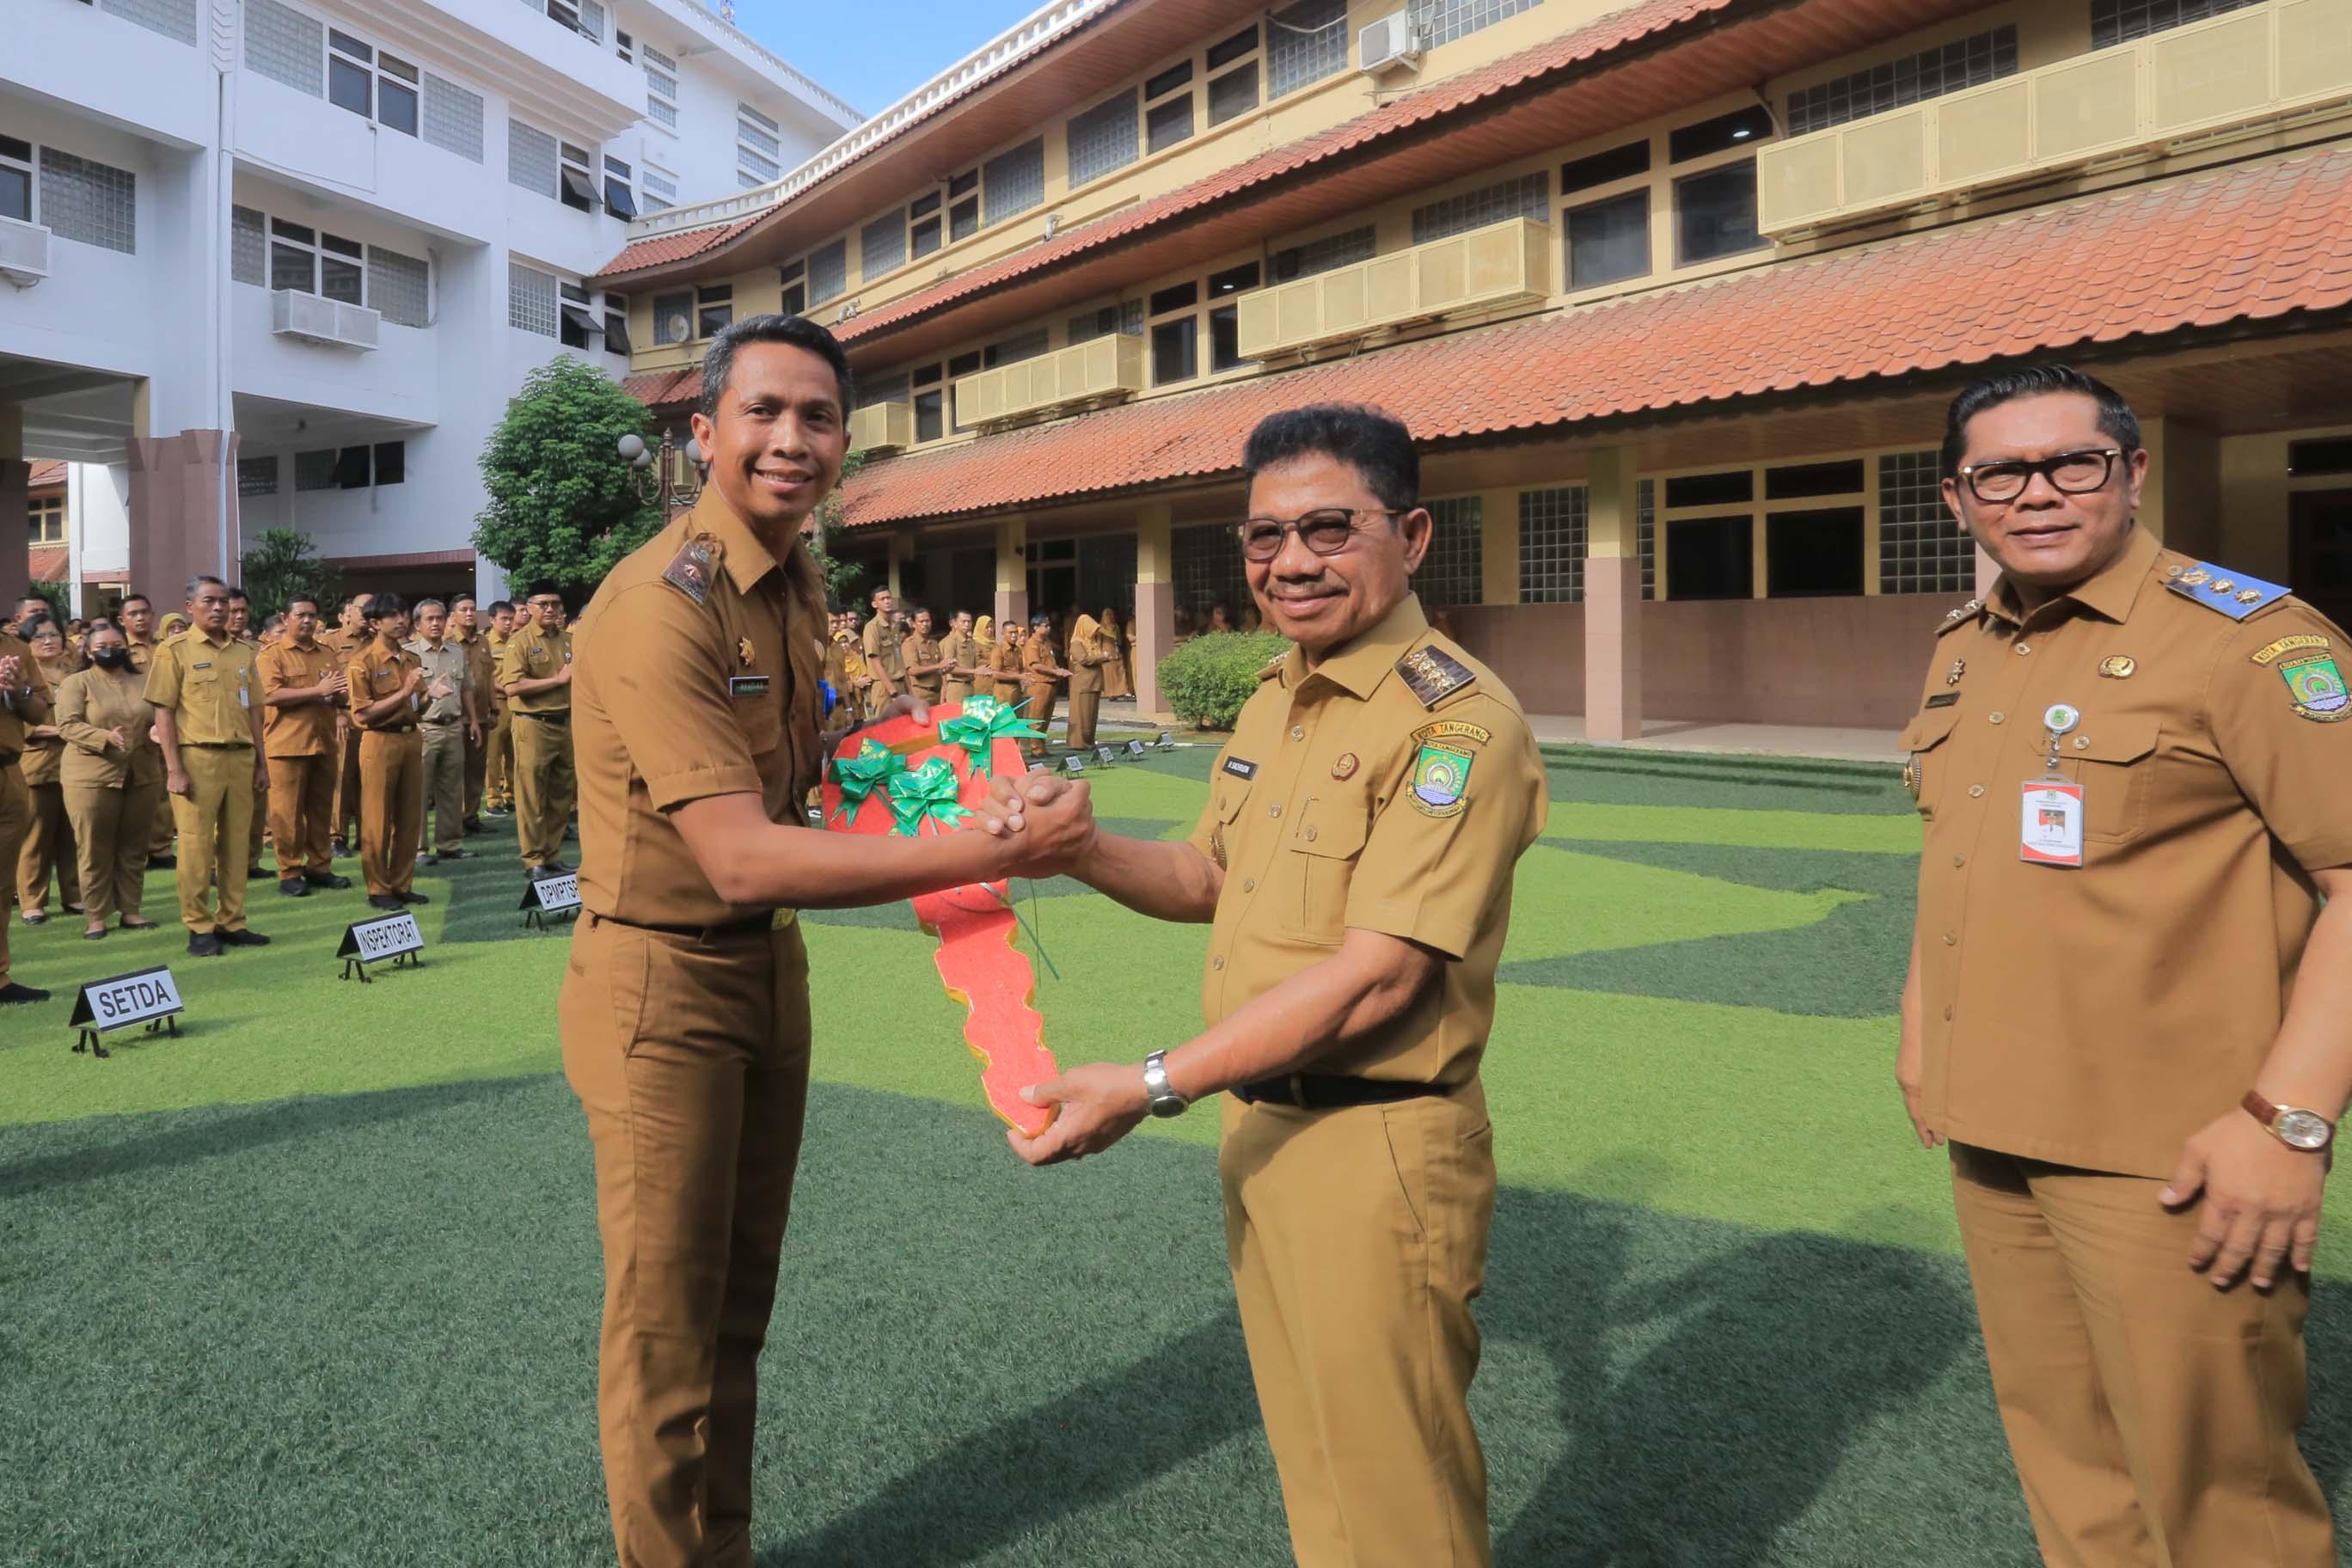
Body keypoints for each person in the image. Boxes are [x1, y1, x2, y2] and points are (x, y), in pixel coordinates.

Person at [560, 313, 1093, 1568]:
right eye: (763, 412)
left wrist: (958, 772)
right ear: (703, 435)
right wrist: (985, 849)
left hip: (764, 969)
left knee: (738, 1305)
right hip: (662, 982)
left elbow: (816, 778)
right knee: (668, 1329)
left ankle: (721, 1549)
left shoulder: (796, 583)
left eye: (818, 418)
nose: (791, 440)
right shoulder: (659, 605)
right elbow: (742, 854)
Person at [981, 403, 1548, 1568]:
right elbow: (1212, 876)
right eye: (1264, 536)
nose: (1292, 562)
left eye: (1330, 529)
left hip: (1378, 1147)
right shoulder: (1280, 690)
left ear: (1412, 536)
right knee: (1320, 1481)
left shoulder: (1459, 725)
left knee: (1398, 1506)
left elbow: (1379, 981)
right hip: (1262, 1130)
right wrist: (1078, 850)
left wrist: (1148, 1084)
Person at [1895, 365, 2349, 1566]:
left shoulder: (2251, 644)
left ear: (2132, 472)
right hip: (1996, 1128)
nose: (2037, 494)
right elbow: (1958, 853)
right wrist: (1922, 1029)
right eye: (2001, 473)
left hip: (2178, 1155)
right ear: (1957, 499)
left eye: (2073, 463)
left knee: (2223, 1504)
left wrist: (2289, 1122)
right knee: (2074, 1475)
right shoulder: (1966, 649)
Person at [144, 575, 269, 958]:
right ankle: (198, 925)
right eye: (209, 601)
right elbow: (163, 711)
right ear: (190, 607)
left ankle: (233, 921)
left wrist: (261, 764)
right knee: (196, 847)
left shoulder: (243, 651)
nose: (218, 608)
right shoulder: (174, 650)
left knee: (237, 844)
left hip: (241, 757)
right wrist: (174, 769)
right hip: (197, 758)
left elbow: (255, 712)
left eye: (223, 602)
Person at [54, 623, 163, 940]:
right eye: (102, 645)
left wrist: (157, 730)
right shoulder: (77, 683)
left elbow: (160, 717)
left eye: (117, 644)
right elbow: (67, 725)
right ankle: (96, 916)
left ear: (126, 648)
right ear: (89, 652)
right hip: (91, 776)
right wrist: (103, 737)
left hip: (142, 772)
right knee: (93, 848)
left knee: (134, 845)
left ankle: (130, 910)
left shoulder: (145, 680)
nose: (109, 650)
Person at [255, 595, 350, 898]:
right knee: (287, 815)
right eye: (300, 615)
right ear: (285, 619)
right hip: (287, 745)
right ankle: (291, 871)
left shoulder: (326, 653)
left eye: (312, 615)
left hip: (323, 742)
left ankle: (320, 866)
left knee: (321, 811)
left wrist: (339, 696)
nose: (307, 621)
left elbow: (337, 691)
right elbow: (270, 695)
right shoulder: (272, 654)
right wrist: (318, 691)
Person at [349, 594, 429, 911]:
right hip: (379, 740)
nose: (401, 620)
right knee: (377, 817)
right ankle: (378, 887)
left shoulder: (411, 659)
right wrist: (405, 692)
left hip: (410, 738)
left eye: (403, 613)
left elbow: (417, 707)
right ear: (374, 623)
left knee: (410, 817)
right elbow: (363, 714)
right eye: (392, 615)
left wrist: (430, 697)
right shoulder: (363, 661)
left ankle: (402, 883)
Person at [498, 584, 574, 877]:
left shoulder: (568, 640)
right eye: (543, 604)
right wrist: (557, 681)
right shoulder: (521, 641)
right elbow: (512, 686)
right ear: (529, 608)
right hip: (533, 724)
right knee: (531, 795)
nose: (550, 609)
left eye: (555, 603)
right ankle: (534, 859)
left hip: (564, 722)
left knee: (561, 794)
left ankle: (552, 854)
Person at [0, 614, 56, 1002]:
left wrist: (18, 690)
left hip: (9, 772)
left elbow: (38, 713)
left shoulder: (16, 648)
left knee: (3, 883)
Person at [15, 616, 81, 924]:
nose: (48, 641)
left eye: (54, 634)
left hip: (75, 764)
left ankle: (74, 894)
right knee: (36, 838)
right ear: (26, 644)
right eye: (39, 637)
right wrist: (65, 731)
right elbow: (24, 726)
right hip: (39, 766)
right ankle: (32, 901)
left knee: (72, 835)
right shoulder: (22, 679)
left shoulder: (74, 674)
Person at [406, 597, 476, 866]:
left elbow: (466, 688)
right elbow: (404, 697)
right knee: (419, 791)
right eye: (430, 619)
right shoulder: (409, 654)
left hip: (454, 726)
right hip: (424, 728)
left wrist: (472, 721)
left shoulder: (455, 651)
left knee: (452, 790)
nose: (436, 623)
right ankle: (418, 849)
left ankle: (450, 844)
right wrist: (414, 725)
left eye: (440, 618)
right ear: (417, 624)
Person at [324, 592, 372, 856]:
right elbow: (323, 682)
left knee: (370, 779)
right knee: (341, 778)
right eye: (363, 608)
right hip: (344, 717)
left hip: (374, 719)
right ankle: (337, 836)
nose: (367, 613)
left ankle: (368, 835)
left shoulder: (379, 640)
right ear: (349, 611)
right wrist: (336, 714)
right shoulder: (330, 642)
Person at [227, 586, 268, 880]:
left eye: (243, 610)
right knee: (225, 811)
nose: (239, 616)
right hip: (226, 734)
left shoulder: (257, 650)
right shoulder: (209, 651)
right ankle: (219, 866)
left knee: (257, 802)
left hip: (258, 730)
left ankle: (251, 861)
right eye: (233, 611)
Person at [450, 593, 494, 832]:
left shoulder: (483, 642)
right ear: (453, 615)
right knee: (454, 770)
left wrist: (494, 709)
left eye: (473, 609)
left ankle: (471, 816)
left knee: (476, 770)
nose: (470, 613)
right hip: (456, 717)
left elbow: (489, 678)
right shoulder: (447, 642)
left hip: (481, 716)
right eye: (464, 609)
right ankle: (454, 819)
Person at [482, 599, 518, 817]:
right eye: (504, 619)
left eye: (511, 619)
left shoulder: (517, 641)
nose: (508, 623)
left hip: (517, 704)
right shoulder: (485, 644)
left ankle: (511, 796)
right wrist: (507, 688)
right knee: (493, 757)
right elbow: (486, 676)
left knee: (514, 755)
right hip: (496, 703)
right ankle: (493, 800)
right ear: (492, 620)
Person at [1020, 611, 1069, 758]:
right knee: (1037, 717)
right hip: (1039, 684)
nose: (1048, 628)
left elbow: (1050, 661)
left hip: (1050, 683)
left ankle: (1042, 747)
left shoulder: (1046, 642)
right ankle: (1036, 749)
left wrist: (1058, 671)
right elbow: (1035, 665)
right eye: (1045, 625)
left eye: (1049, 625)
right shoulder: (1032, 644)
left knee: (1046, 718)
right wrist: (1055, 671)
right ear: (1035, 627)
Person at [1064, 612, 1106, 750]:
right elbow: (1083, 659)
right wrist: (1103, 657)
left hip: (1094, 683)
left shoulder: (1092, 642)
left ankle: (1089, 741)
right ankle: (1079, 742)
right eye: (1092, 629)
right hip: (1083, 684)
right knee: (1081, 715)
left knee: (1091, 716)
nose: (1094, 632)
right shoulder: (1076, 643)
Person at [860, 585, 903, 715]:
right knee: (886, 726)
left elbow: (900, 660)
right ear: (874, 604)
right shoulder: (872, 627)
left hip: (900, 684)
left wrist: (909, 690)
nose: (887, 601)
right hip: (884, 688)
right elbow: (875, 662)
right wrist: (892, 692)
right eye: (882, 599)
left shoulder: (895, 626)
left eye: (889, 598)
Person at [902, 607, 946, 705]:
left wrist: (947, 666)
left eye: (927, 621)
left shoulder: (934, 643)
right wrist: (938, 666)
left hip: (937, 693)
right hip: (921, 694)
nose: (925, 624)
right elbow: (912, 670)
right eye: (921, 621)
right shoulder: (910, 643)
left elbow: (941, 669)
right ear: (913, 624)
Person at [937, 609, 982, 706]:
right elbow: (949, 669)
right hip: (957, 686)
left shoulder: (972, 642)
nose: (967, 624)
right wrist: (974, 671)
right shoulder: (951, 641)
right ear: (955, 623)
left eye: (969, 621)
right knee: (956, 714)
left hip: (970, 686)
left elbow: (976, 664)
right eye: (963, 621)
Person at [990, 618, 1026, 710]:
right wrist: (1018, 676)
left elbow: (1021, 668)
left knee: (1018, 717)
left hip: (1017, 690)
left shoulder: (1018, 650)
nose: (1014, 635)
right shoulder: (998, 650)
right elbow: (996, 674)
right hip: (1003, 691)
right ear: (1003, 634)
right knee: (1005, 717)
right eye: (1011, 633)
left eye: (1016, 632)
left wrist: (1025, 678)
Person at [1099, 607, 1133, 701]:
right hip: (1106, 653)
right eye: (1107, 615)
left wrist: (1118, 648)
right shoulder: (1100, 629)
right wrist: (1101, 654)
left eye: (1111, 614)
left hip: (1116, 652)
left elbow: (1119, 640)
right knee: (1109, 675)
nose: (1109, 617)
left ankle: (1123, 691)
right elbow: (1098, 642)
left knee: (1121, 671)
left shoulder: (1116, 627)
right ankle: (1111, 694)